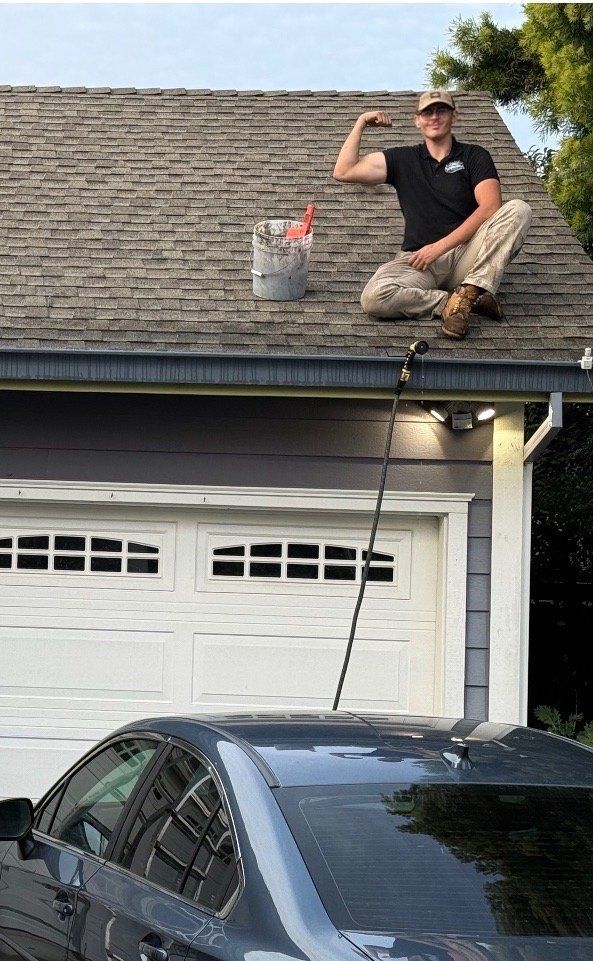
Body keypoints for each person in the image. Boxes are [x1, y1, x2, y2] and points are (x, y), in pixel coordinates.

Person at [332, 90, 532, 339]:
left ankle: (470, 289)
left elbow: (491, 206)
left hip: (465, 258)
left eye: (442, 110)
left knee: (518, 209)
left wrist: (438, 248)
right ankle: (457, 302)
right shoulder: (402, 159)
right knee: (374, 297)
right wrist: (361, 122)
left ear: (454, 116)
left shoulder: (474, 156)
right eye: (427, 112)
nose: (434, 116)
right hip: (418, 263)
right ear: (417, 120)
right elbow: (344, 170)